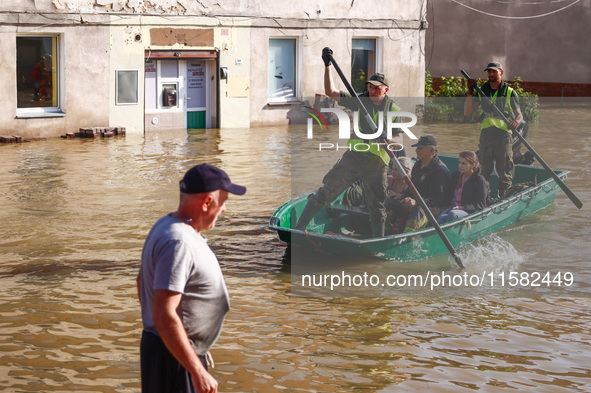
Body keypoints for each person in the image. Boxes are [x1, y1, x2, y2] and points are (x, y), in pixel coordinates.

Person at [137, 164, 246, 393]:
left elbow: (141, 281)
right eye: (222, 201)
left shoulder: (170, 225)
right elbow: (164, 313)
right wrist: (196, 369)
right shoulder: (179, 242)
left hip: (173, 350)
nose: (224, 209)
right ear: (206, 202)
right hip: (174, 357)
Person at [294, 47, 403, 237]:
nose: (373, 90)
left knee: (377, 208)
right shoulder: (359, 101)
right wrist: (327, 66)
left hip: (377, 165)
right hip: (353, 158)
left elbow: (399, 140)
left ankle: (378, 242)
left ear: (386, 89)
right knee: (326, 192)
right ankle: (298, 228)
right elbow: (331, 91)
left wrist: (386, 138)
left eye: (377, 88)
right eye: (370, 87)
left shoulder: (393, 108)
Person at [464, 61, 523, 198]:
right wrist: (470, 91)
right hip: (486, 137)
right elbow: (467, 112)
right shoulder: (482, 90)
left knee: (505, 172)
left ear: (501, 73)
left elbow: (519, 116)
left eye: (494, 72)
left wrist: (516, 122)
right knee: (484, 171)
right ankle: (484, 198)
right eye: (489, 72)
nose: (491, 74)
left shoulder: (509, 92)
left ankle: (504, 198)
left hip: (503, 137)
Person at [388, 135, 450, 232]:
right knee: (390, 203)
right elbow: (412, 187)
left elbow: (439, 199)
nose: (416, 150)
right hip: (417, 201)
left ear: (432, 151)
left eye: (420, 148)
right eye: (417, 148)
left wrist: (417, 202)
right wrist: (401, 195)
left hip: (435, 207)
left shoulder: (440, 170)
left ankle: (408, 239)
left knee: (418, 210)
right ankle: (385, 233)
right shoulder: (417, 165)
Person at [437, 150, 488, 224]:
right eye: (459, 162)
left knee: (452, 215)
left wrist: (462, 207)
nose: (460, 166)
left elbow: (481, 204)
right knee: (440, 220)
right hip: (452, 208)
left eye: (464, 163)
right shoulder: (456, 175)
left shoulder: (479, 180)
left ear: (473, 165)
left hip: (468, 211)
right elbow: (447, 194)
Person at [385, 156, 413, 233]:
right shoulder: (390, 180)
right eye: (393, 169)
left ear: (406, 172)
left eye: (396, 170)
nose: (393, 172)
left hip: (404, 215)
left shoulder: (411, 184)